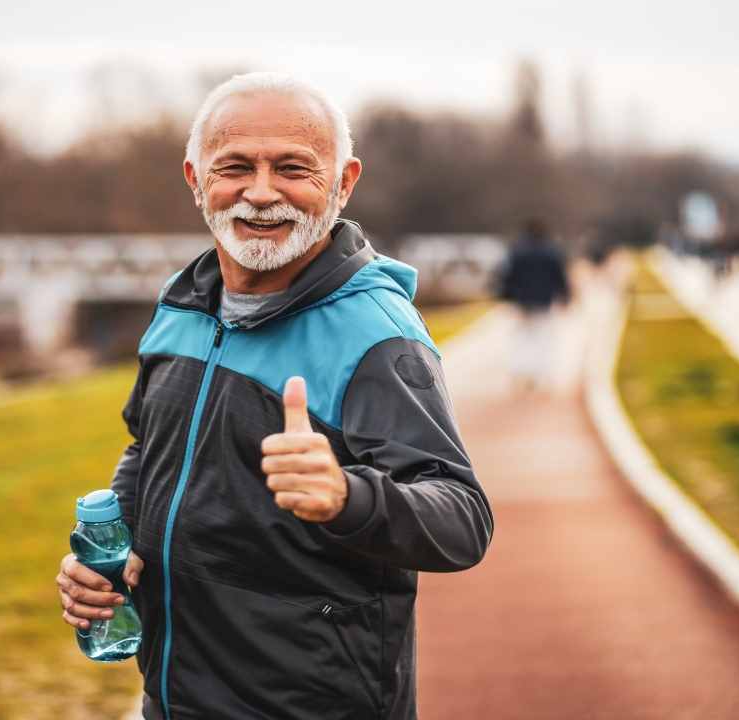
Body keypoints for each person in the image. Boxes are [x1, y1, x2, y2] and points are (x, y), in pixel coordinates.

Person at [54, 72, 493, 720]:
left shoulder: (375, 334)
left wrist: (348, 497)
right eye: (235, 167)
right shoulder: (184, 300)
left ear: (343, 183)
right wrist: (114, 548)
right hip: (174, 696)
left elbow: (464, 519)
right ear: (195, 179)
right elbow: (150, 446)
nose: (261, 193)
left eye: (292, 168)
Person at [494, 219, 570, 390]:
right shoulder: (552, 252)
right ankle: (540, 372)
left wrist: (506, 297)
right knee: (543, 337)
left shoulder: (517, 251)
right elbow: (560, 277)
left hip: (522, 301)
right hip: (544, 301)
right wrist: (565, 297)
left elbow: (507, 277)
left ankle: (521, 371)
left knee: (522, 338)